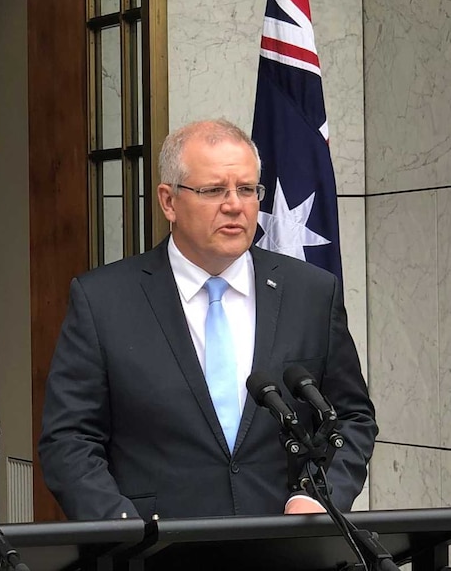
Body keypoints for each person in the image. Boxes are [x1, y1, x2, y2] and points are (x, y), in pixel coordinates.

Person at [38, 119, 377, 521]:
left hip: (285, 544)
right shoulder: (104, 300)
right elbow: (69, 439)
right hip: (156, 550)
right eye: (214, 190)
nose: (235, 204)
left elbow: (351, 418)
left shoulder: (311, 293)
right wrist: (120, 527)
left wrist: (319, 497)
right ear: (168, 202)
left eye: (247, 189)